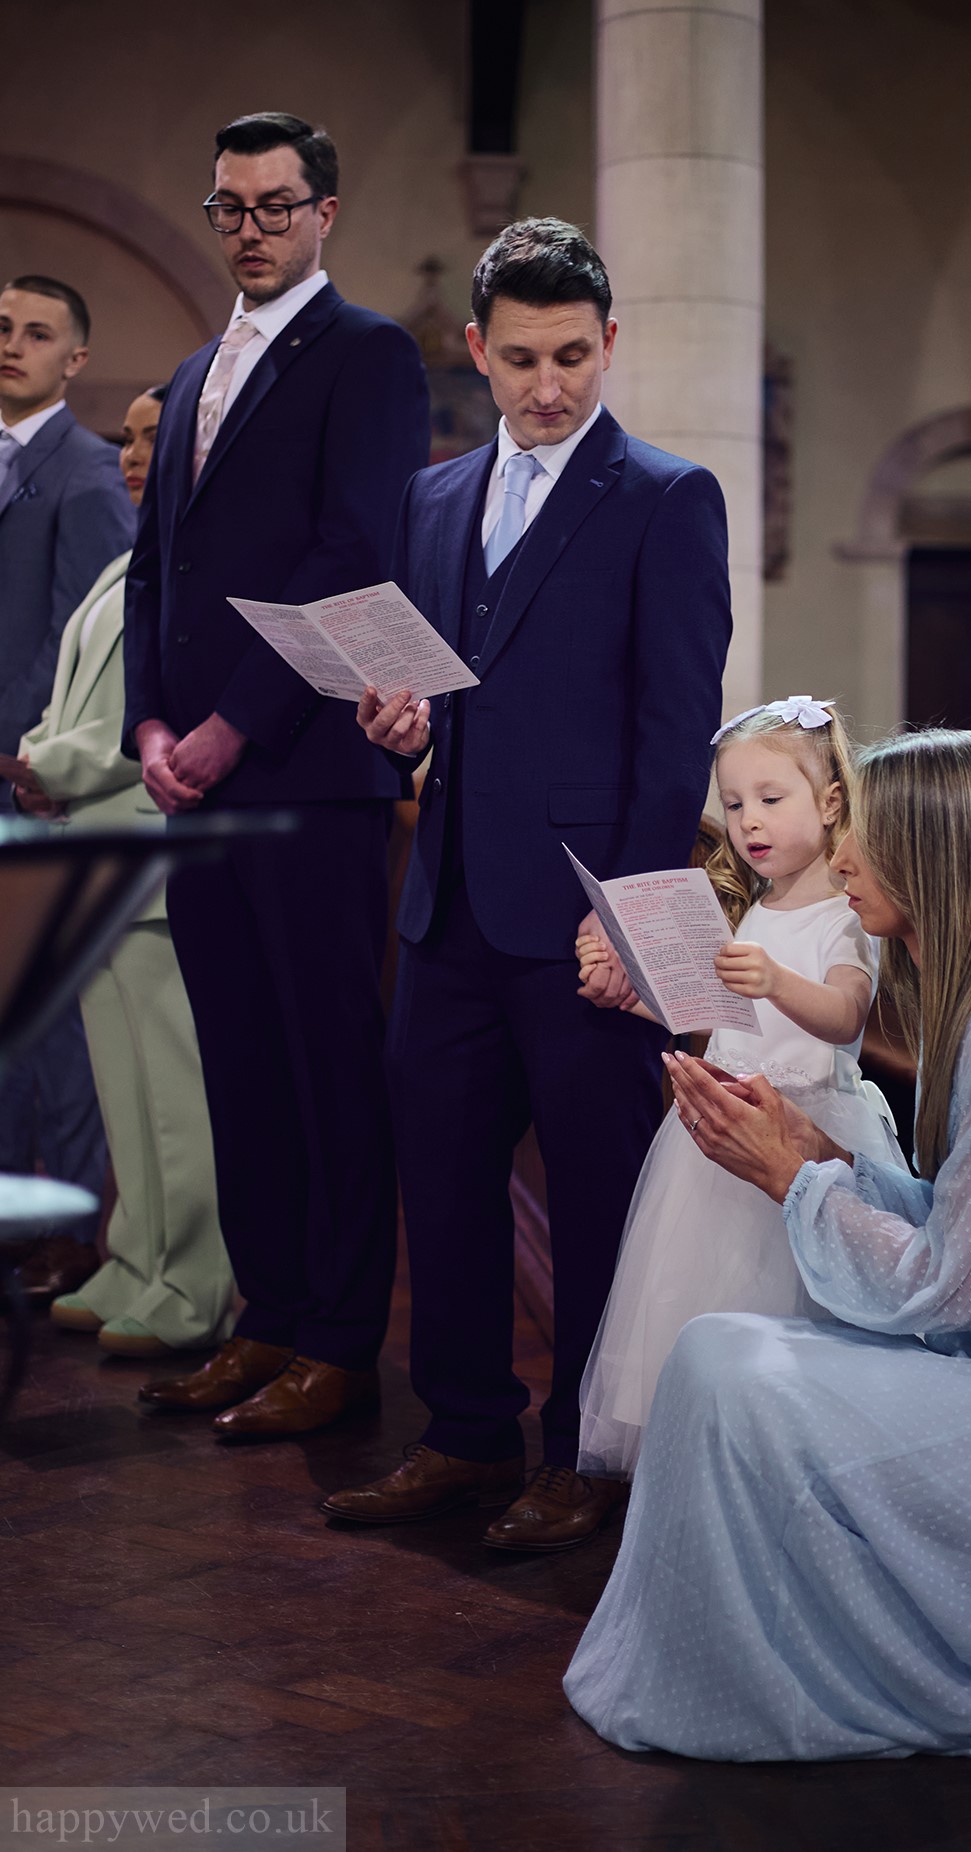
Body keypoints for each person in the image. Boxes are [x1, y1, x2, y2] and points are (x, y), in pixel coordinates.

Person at [565, 728, 971, 1760]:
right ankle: (737, 1663)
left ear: (934, 856)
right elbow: (964, 1223)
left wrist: (791, 1176)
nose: (844, 859)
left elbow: (953, 1285)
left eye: (868, 838)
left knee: (736, 1374)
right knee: (718, 1354)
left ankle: (762, 1676)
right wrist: (819, 1149)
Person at [323, 218, 731, 1549]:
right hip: (443, 906)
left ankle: (582, 1454)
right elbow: (437, 700)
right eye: (520, 359)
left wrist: (627, 923)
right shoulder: (430, 501)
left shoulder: (668, 498)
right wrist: (397, 726)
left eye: (572, 355)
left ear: (611, 343)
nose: (548, 384)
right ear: (475, 352)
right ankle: (461, 1434)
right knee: (438, 1179)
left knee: (600, 1193)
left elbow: (677, 736)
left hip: (581, 923)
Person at [125, 112, 429, 1437]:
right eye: (229, 207)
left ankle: (343, 1343)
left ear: (326, 213)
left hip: (304, 772)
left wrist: (234, 724)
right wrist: (147, 722)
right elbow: (157, 569)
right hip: (195, 781)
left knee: (325, 1063)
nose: (249, 228)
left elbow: (351, 553)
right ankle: (269, 1319)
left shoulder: (366, 356)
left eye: (273, 205)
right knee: (237, 1062)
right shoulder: (194, 372)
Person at [574, 696, 901, 1480]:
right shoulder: (754, 909)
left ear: (829, 802)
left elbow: (845, 1013)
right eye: (733, 803)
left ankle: (768, 1473)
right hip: (717, 1136)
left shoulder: (845, 915)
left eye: (770, 799)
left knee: (776, 1313)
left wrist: (779, 981)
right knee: (692, 1302)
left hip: (800, 1137)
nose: (748, 822)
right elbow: (719, 1016)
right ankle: (694, 1472)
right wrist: (639, 996)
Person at [11, 386, 234, 1358]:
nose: (131, 455)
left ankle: (195, 1282)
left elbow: (151, 715)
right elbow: (79, 701)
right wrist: (39, 755)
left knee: (177, 1094)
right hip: (93, 852)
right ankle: (136, 1257)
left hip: (148, 847)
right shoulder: (125, 564)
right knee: (123, 1086)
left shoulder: (202, 567)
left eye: (152, 438)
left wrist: (44, 767)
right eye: (128, 440)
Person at [0, 275, 136, 1303]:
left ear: (74, 359)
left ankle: (72, 1221)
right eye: (2, 328)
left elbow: (76, 648)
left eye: (38, 332)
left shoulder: (90, 474)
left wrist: (24, 752)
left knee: (50, 1015)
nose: (14, 345)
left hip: (28, 775)